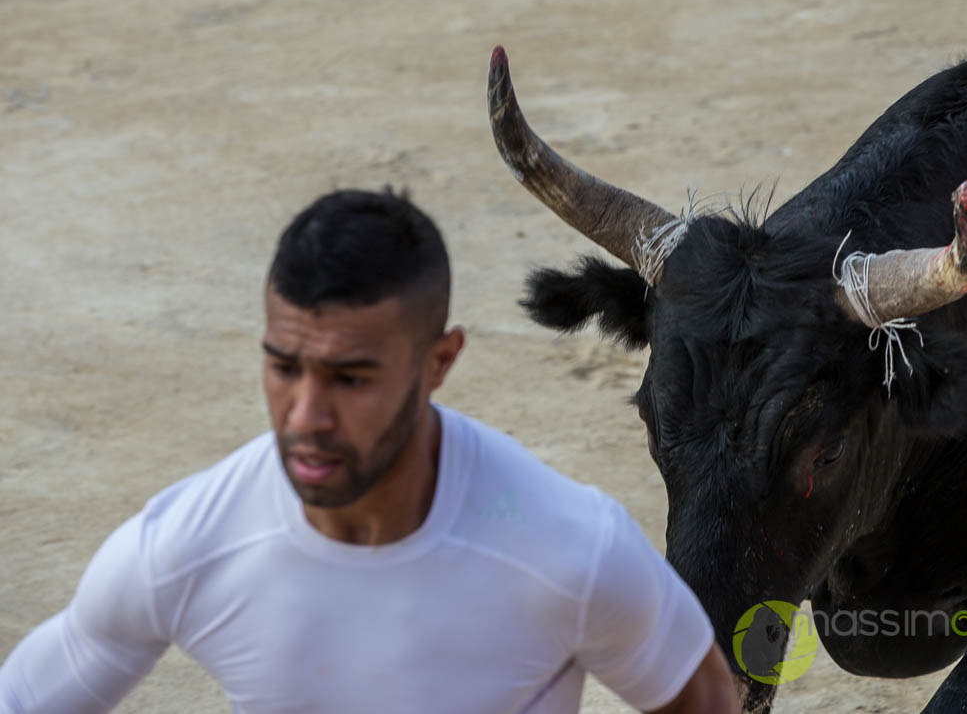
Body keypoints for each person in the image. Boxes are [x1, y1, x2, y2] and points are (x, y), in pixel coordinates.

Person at [0, 188, 737, 714]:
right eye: (284, 366)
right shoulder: (185, 547)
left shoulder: (571, 549)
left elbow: (702, 701)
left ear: (439, 361)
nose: (307, 415)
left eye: (351, 378)